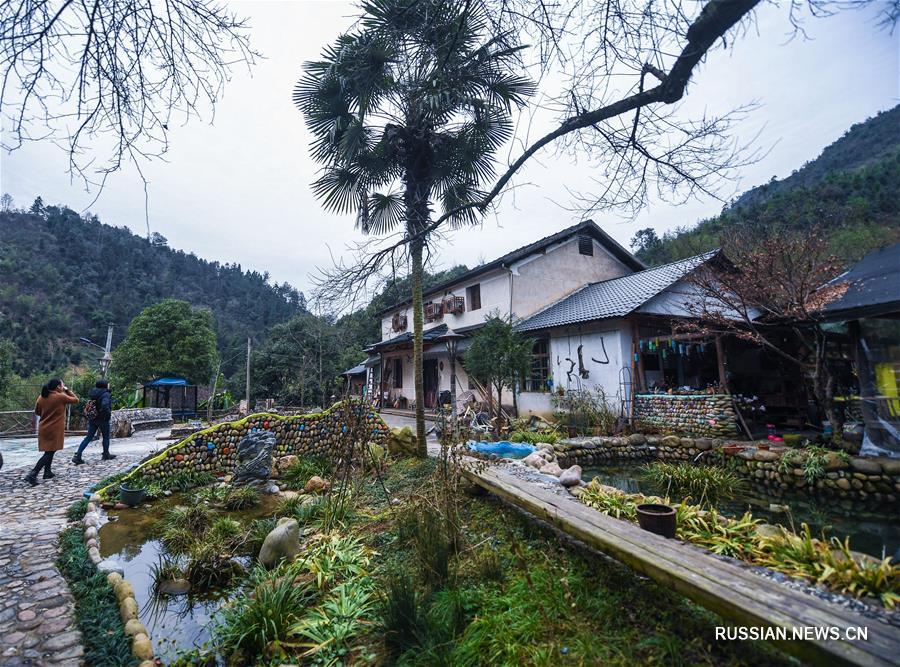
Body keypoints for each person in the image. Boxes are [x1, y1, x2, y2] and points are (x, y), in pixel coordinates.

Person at [26, 379, 79, 486]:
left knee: (50, 450)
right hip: (54, 429)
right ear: (58, 386)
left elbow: (37, 412)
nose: (63, 386)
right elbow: (76, 400)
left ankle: (47, 472)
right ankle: (33, 474)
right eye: (62, 385)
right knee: (49, 452)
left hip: (43, 428)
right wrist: (67, 390)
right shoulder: (60, 396)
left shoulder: (41, 397)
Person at [72, 380, 116, 464]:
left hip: (93, 418)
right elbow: (105, 405)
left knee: (88, 437)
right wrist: (106, 415)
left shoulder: (93, 393)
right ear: (105, 385)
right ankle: (106, 454)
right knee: (106, 436)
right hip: (102, 419)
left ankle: (78, 455)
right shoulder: (106, 394)